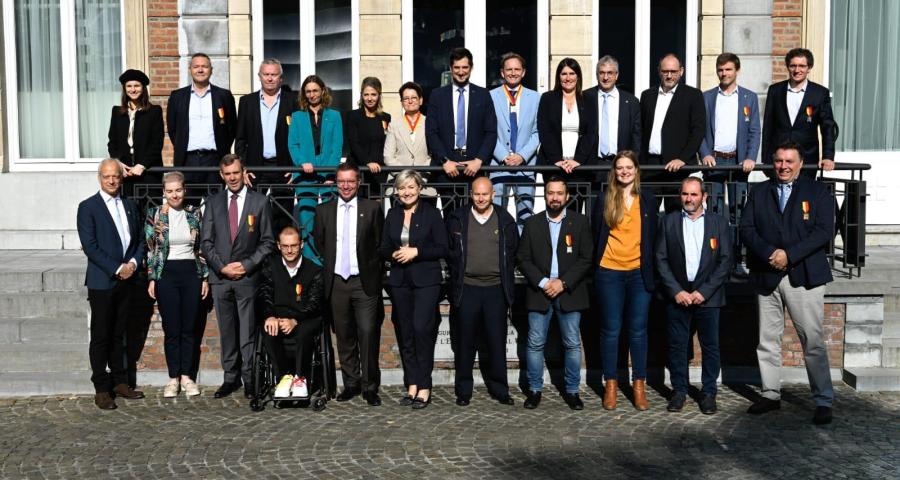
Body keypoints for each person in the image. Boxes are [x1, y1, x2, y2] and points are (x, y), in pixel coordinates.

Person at [740, 142, 836, 425]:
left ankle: (823, 400)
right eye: (779, 160)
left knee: (813, 340)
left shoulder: (818, 192)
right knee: (767, 340)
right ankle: (770, 393)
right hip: (766, 273)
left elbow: (824, 231)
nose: (783, 166)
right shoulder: (759, 191)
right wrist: (770, 254)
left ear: (800, 162)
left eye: (789, 161)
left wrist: (789, 255)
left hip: (804, 275)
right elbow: (747, 228)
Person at [200, 154, 276, 398]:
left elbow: (267, 242)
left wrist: (245, 265)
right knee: (227, 331)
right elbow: (206, 241)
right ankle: (230, 378)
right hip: (221, 278)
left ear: (244, 172)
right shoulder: (212, 202)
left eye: (236, 172)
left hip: (247, 277)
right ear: (222, 175)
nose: (232, 178)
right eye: (227, 174)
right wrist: (222, 267)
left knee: (248, 331)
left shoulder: (260, 202)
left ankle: (250, 378)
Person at [655, 177, 733, 414]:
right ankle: (679, 391)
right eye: (685, 194)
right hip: (677, 294)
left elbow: (725, 260)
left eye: (694, 195)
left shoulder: (718, 223)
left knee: (710, 346)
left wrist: (704, 292)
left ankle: (708, 393)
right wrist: (676, 291)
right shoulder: (667, 222)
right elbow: (660, 259)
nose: (689, 199)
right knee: (678, 345)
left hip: (707, 296)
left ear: (704, 197)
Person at [517, 176, 593, 410]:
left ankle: (572, 391)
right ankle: (535, 390)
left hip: (570, 292)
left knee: (571, 343)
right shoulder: (532, 223)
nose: (555, 197)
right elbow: (522, 258)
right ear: (545, 195)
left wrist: (564, 282)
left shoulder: (580, 222)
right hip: (539, 292)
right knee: (535, 343)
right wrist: (542, 282)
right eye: (551, 193)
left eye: (560, 193)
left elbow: (586, 258)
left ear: (567, 196)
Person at [76, 159, 146, 410]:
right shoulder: (88, 207)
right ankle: (101, 388)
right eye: (107, 176)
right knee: (101, 335)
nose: (112, 180)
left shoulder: (129, 205)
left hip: (128, 279)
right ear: (99, 178)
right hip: (102, 281)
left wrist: (134, 265)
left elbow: (139, 240)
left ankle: (120, 381)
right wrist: (118, 268)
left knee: (119, 333)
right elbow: (90, 246)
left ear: (121, 177)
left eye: (116, 176)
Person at [313, 163, 385, 406]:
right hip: (336, 281)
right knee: (343, 335)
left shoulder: (372, 208)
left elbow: (378, 243)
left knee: (367, 332)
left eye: (350, 181)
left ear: (358, 182)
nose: (346, 186)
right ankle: (351, 383)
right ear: (336, 182)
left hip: (363, 281)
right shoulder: (324, 211)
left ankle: (370, 386)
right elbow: (320, 243)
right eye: (341, 181)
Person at [592, 151, 657, 411]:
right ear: (614, 171)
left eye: (629, 167)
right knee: (610, 330)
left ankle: (638, 385)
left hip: (639, 272)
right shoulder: (605, 198)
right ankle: (611, 384)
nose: (624, 172)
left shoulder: (648, 199)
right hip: (609, 271)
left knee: (638, 330)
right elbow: (595, 231)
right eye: (620, 167)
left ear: (637, 170)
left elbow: (655, 235)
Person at [445, 177, 518, 406]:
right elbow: (449, 250)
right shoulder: (458, 218)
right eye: (477, 194)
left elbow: (513, 251)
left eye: (485, 194)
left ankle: (500, 389)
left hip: (496, 289)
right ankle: (463, 391)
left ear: (493, 195)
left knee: (496, 342)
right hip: (467, 288)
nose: (481, 198)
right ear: (470, 194)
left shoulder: (505, 219)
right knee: (465, 343)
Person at [379, 169, 449, 409]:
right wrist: (394, 254)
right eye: (402, 188)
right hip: (399, 280)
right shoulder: (392, 213)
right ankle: (411, 384)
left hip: (426, 280)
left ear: (419, 188)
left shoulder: (432, 213)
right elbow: (383, 246)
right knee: (405, 333)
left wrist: (416, 251)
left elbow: (443, 248)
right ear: (396, 191)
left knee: (421, 329)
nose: (406, 192)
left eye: (410, 187)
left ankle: (424, 385)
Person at [144, 171, 209, 398]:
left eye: (178, 190)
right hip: (166, 273)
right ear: (164, 192)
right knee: (172, 329)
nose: (174, 195)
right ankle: (173, 377)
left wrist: (204, 277)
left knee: (189, 328)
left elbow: (201, 248)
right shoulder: (155, 215)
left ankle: (187, 377)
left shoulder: (194, 214)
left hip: (191, 272)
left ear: (185, 190)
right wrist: (152, 277)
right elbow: (151, 249)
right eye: (170, 191)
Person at [698, 53, 760, 275]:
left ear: (737, 71)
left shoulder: (749, 98)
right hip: (713, 161)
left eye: (728, 70)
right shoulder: (706, 97)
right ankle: (714, 262)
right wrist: (705, 153)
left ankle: (735, 261)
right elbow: (699, 130)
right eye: (721, 70)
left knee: (737, 213)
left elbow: (754, 130)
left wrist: (751, 156)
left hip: (738, 162)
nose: (724, 74)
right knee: (713, 212)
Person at [425, 47, 498, 209]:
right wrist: (444, 160)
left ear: (471, 68)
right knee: (450, 217)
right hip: (446, 168)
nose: (461, 72)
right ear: (451, 69)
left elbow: (491, 132)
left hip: (474, 167)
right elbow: (431, 132)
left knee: (473, 219)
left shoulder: (483, 94)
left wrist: (479, 160)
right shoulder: (437, 95)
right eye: (457, 67)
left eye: (465, 67)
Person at [259, 226, 325, 400]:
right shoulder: (270, 266)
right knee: (269, 330)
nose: (289, 250)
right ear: (278, 245)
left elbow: (314, 303)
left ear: (301, 245)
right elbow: (265, 293)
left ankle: (300, 379)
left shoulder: (314, 270)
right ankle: (283, 377)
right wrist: (270, 315)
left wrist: (295, 320)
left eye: (294, 245)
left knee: (304, 332)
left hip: (305, 317)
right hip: (278, 316)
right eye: (285, 246)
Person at [234, 58, 298, 230]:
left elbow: (300, 138)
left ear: (281, 78)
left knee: (283, 216)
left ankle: (280, 255)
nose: (270, 78)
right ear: (259, 76)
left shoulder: (293, 101)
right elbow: (240, 138)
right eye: (266, 74)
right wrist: (243, 167)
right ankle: (254, 255)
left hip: (284, 168)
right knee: (252, 218)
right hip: (256, 167)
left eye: (274, 75)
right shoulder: (247, 102)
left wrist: (296, 167)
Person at [640, 53, 705, 212]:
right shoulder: (647, 95)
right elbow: (640, 130)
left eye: (673, 71)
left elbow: (698, 130)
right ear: (659, 71)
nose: (669, 76)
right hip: (650, 166)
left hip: (678, 169)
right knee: (647, 215)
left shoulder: (693, 95)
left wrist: (683, 159)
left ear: (681, 71)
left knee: (675, 217)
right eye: (665, 71)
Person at [288, 75, 343, 263]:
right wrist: (302, 162)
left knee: (329, 222)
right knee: (307, 221)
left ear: (322, 91)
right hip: (305, 176)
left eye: (315, 90)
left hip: (328, 176)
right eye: (308, 91)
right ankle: (312, 264)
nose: (312, 95)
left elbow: (337, 147)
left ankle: (329, 262)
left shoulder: (334, 116)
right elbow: (293, 145)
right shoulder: (297, 116)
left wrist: (329, 172)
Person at [762, 48, 838, 177]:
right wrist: (766, 160)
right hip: (780, 161)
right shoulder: (775, 91)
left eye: (802, 66)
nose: (797, 70)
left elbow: (827, 126)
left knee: (804, 196)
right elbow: (768, 127)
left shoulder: (819, 93)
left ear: (809, 68)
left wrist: (828, 156)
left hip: (807, 160)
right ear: (787, 67)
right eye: (793, 66)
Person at [166, 53, 237, 188]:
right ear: (190, 69)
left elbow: (231, 128)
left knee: (216, 204)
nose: (200, 70)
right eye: (196, 66)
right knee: (189, 205)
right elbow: (172, 128)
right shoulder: (177, 96)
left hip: (215, 159)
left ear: (211, 69)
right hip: (187, 160)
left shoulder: (224, 96)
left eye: (204, 66)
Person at [537, 58, 597, 211]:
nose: (568, 78)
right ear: (558, 76)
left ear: (578, 76)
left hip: (579, 167)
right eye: (564, 74)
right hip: (554, 165)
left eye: (572, 73)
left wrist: (578, 160)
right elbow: (544, 131)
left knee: (574, 213)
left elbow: (591, 132)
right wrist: (557, 159)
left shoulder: (588, 99)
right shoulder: (548, 98)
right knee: (554, 210)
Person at [489, 52, 540, 232]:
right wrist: (503, 155)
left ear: (523, 72)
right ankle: (501, 255)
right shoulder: (491, 96)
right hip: (498, 165)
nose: (513, 73)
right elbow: (488, 132)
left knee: (525, 215)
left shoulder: (535, 98)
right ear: (502, 73)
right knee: (496, 215)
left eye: (517, 69)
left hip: (525, 166)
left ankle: (521, 256)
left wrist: (522, 156)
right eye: (509, 69)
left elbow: (537, 132)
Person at [107, 69, 163, 201]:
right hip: (125, 174)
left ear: (143, 88)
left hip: (149, 172)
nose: (133, 90)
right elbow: (112, 142)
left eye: (137, 86)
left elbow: (157, 143)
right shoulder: (117, 112)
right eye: (129, 86)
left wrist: (142, 165)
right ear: (124, 89)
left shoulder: (154, 111)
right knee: (128, 214)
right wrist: (119, 163)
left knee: (150, 214)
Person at [583, 55, 642, 166]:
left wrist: (632, 162)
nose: (606, 77)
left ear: (616, 75)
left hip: (621, 165)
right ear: (596, 75)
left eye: (610, 73)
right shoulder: (585, 97)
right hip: (591, 165)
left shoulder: (631, 101)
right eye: (602, 73)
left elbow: (636, 136)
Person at [383, 82, 437, 199]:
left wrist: (418, 175)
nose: (410, 101)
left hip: (425, 182)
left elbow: (435, 153)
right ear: (402, 102)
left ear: (421, 100)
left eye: (414, 98)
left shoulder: (430, 123)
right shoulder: (394, 125)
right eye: (406, 98)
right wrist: (405, 176)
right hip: (399, 184)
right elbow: (388, 156)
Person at [345, 77, 392, 196]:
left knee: (375, 211)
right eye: (366, 94)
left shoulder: (385, 117)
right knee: (358, 210)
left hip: (378, 173)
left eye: (373, 94)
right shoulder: (353, 116)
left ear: (379, 95)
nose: (370, 98)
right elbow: (353, 143)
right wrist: (367, 162)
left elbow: (386, 144)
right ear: (361, 95)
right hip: (358, 172)